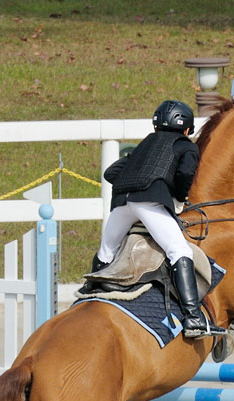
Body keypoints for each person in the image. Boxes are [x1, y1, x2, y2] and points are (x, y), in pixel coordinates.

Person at [90, 99, 226, 338]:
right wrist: (178, 196)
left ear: (157, 126)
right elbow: (184, 174)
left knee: (107, 250)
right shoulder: (186, 146)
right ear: (186, 129)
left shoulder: (145, 145)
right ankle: (193, 318)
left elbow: (110, 173)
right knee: (179, 251)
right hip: (150, 203)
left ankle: (89, 294)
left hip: (123, 203)